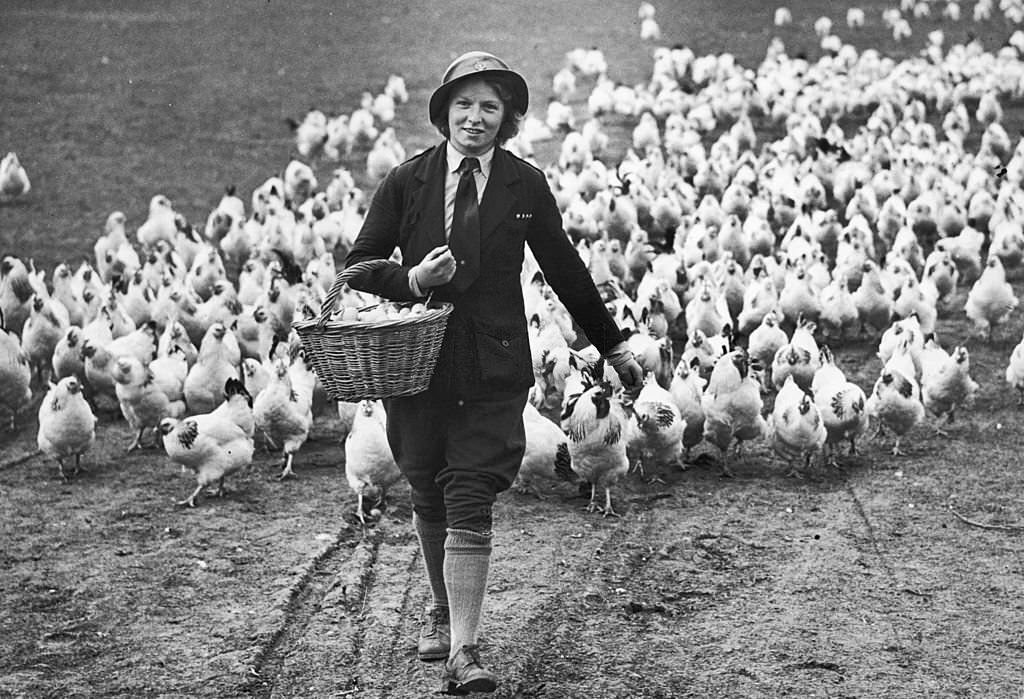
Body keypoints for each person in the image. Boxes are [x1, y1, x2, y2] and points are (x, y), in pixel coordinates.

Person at [343, 50, 643, 696]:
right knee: (426, 482)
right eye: (463, 105)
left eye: (489, 107)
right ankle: (441, 606)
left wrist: (611, 344)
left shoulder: (524, 184)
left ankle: (464, 650)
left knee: (471, 488)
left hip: (494, 361)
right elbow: (360, 264)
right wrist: (412, 278)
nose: (474, 118)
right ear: (444, 113)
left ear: (506, 118)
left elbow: (564, 267)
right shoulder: (407, 181)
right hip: (417, 360)